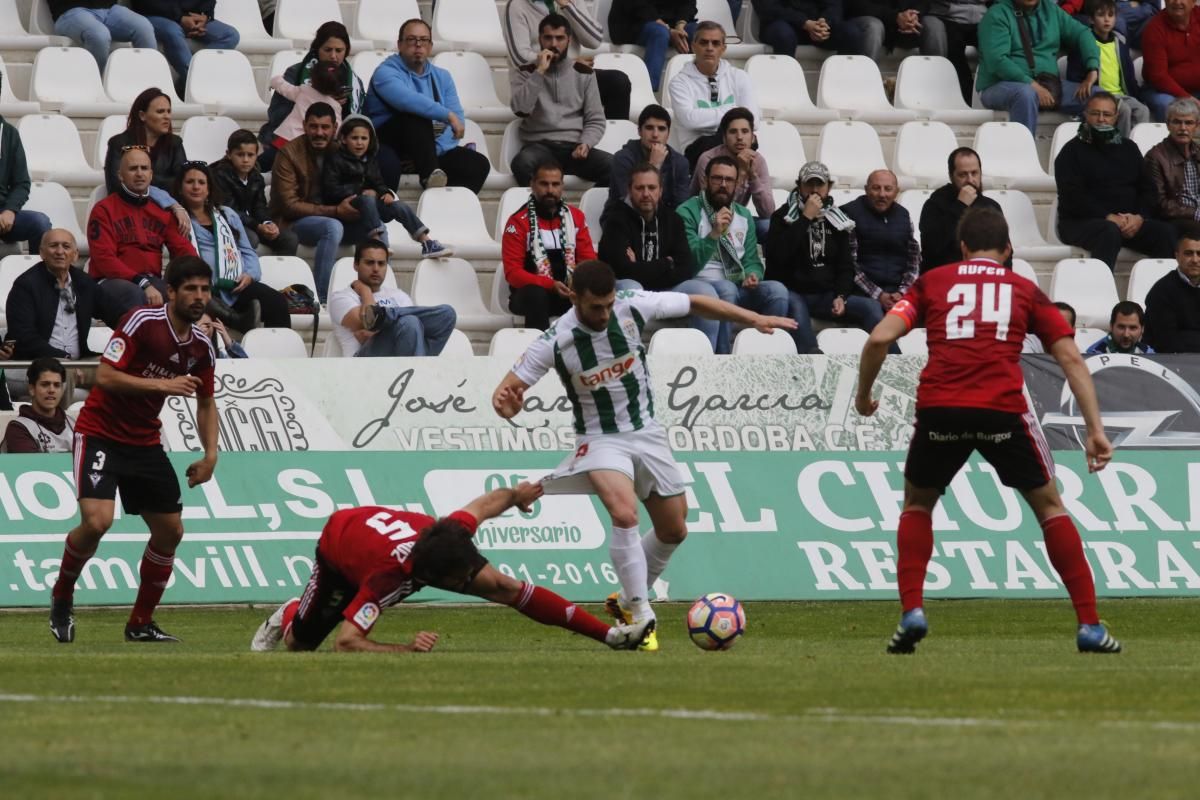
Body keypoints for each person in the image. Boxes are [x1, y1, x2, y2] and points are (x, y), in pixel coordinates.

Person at [854, 207, 1122, 655]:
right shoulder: (1024, 290)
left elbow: (880, 337)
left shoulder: (933, 282)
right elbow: (1071, 358)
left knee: (918, 503)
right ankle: (1089, 625)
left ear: (962, 248)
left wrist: (864, 396)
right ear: (1009, 248)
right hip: (1001, 411)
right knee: (1050, 508)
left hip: (941, 409)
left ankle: (913, 611)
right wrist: (1095, 429)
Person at [492, 260, 797, 651]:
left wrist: (751, 317)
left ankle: (625, 596)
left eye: (607, 304)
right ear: (573, 297)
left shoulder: (633, 305)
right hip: (600, 440)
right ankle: (639, 612)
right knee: (624, 513)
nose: (603, 314)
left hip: (647, 433)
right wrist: (509, 406)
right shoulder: (555, 340)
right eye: (594, 308)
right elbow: (505, 395)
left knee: (674, 529)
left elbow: (696, 302)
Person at [249, 482, 655, 654]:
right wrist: (404, 649)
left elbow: (484, 504)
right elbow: (348, 642)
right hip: (339, 546)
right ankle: (289, 612)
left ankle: (612, 637)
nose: (468, 583)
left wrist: (516, 496)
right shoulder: (386, 581)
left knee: (505, 587)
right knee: (299, 646)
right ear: (428, 579)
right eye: (460, 581)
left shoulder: (449, 534)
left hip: (381, 537)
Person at [49, 256, 219, 644]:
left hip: (144, 441)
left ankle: (140, 623)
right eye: (190, 289)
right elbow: (104, 375)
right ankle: (62, 595)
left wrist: (210, 454)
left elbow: (207, 402)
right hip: (100, 434)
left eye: (205, 290)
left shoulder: (202, 346)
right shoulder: (143, 322)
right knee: (97, 522)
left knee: (170, 531)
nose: (199, 297)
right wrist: (163, 386)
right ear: (171, 292)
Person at [765, 161, 885, 354]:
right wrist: (805, 218)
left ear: (828, 187)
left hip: (826, 295)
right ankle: (813, 359)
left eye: (819, 185)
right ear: (799, 185)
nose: (814, 190)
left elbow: (846, 265)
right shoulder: (782, 216)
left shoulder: (838, 219)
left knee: (870, 306)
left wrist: (841, 295)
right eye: (809, 184)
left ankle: (891, 358)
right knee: (795, 308)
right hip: (794, 292)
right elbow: (777, 257)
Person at [598, 163, 721, 350]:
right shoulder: (616, 221)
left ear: (661, 191)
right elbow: (621, 270)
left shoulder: (673, 220)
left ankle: (705, 359)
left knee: (706, 293)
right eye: (640, 188)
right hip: (628, 286)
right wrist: (666, 263)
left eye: (652, 188)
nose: (646, 193)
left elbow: (685, 268)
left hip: (667, 288)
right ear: (630, 190)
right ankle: (628, 361)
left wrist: (639, 266)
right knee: (633, 288)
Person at [678, 155, 790, 353]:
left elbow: (752, 260)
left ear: (737, 184)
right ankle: (724, 358)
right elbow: (688, 264)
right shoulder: (688, 211)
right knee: (727, 288)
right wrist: (713, 233)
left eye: (729, 180)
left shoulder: (743, 214)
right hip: (701, 284)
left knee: (777, 292)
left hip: (737, 283)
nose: (723, 184)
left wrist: (752, 275)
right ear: (705, 180)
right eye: (717, 178)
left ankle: (762, 358)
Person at [364, 18, 491, 193]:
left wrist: (432, 152)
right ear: (399, 44)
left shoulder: (443, 77)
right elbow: (408, 100)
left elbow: (458, 120)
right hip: (389, 145)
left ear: (430, 46)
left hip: (428, 151)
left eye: (423, 40)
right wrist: (447, 116)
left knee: (477, 164)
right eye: (411, 39)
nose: (418, 45)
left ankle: (446, 209)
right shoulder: (385, 73)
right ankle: (430, 176)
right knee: (415, 115)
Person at [1055, 92, 1177, 270]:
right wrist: (1108, 217)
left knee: (1165, 233)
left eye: (1107, 114)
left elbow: (1148, 190)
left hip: (1127, 222)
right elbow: (1072, 197)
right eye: (1095, 113)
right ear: (1086, 115)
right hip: (1081, 222)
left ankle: (1159, 293)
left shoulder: (1129, 148)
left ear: (1116, 117)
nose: (1101, 119)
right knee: (1108, 232)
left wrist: (1139, 217)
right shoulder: (1071, 152)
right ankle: (1101, 290)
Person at [270, 103, 373, 303]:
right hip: (294, 223)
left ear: (335, 128)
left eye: (325, 127)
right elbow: (289, 206)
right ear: (304, 126)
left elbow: (364, 180)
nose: (319, 132)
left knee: (375, 224)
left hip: (337, 218)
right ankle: (322, 297)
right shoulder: (288, 154)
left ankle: (374, 294)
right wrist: (335, 211)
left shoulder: (341, 150)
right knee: (332, 227)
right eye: (314, 126)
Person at [175, 162, 290, 333]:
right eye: (190, 182)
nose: (196, 187)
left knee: (276, 301)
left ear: (209, 188)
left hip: (236, 284)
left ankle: (282, 356)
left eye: (201, 182)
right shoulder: (177, 218)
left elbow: (247, 250)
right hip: (204, 286)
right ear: (180, 188)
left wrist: (249, 276)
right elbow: (154, 192)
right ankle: (235, 320)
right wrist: (174, 206)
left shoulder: (227, 214)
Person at [88, 147, 198, 319]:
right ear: (120, 175)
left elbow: (183, 248)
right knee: (137, 297)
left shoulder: (162, 211)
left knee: (190, 298)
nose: (139, 173)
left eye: (144, 168)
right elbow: (104, 259)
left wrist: (199, 276)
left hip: (151, 280)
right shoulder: (103, 209)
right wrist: (142, 283)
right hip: (110, 281)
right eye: (133, 169)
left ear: (151, 174)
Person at [320, 116, 453, 258]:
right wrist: (360, 192)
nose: (359, 143)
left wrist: (384, 192)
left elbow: (378, 182)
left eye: (364, 138)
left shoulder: (370, 160)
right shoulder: (335, 159)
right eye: (354, 138)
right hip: (349, 205)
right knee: (367, 199)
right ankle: (377, 244)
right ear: (344, 139)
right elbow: (331, 189)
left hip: (369, 205)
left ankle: (426, 242)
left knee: (399, 206)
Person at [509, 14, 612, 187]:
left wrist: (586, 143)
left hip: (575, 148)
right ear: (540, 39)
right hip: (540, 147)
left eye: (559, 38)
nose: (554, 44)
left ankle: (585, 208)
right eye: (548, 38)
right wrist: (539, 72)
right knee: (522, 163)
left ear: (569, 40)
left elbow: (595, 118)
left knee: (616, 166)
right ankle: (543, 208)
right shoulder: (526, 71)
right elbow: (520, 109)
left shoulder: (584, 73)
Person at [975, 0, 1100, 134]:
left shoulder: (1051, 10)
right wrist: (1033, 86)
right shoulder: (997, 14)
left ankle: (1087, 150)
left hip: (1049, 84)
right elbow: (996, 61)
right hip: (999, 85)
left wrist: (1092, 69)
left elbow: (1082, 33)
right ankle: (1024, 152)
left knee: (1099, 97)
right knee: (1025, 94)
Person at [501, 162, 598, 330]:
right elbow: (513, 273)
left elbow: (588, 262)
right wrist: (549, 285)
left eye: (555, 184)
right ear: (532, 184)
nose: (550, 190)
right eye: (544, 184)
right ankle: (539, 352)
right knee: (536, 295)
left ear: (562, 186)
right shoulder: (517, 221)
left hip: (568, 292)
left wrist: (577, 285)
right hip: (531, 295)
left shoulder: (576, 217)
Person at [259, 22, 366, 172]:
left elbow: (348, 126)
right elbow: (277, 115)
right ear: (317, 49)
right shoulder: (295, 73)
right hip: (289, 141)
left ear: (347, 51)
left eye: (339, 50)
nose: (333, 56)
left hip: (324, 145)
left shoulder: (353, 83)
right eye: (328, 50)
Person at [328, 239, 457, 358]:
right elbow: (368, 324)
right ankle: (419, 374)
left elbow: (375, 327)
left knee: (448, 314)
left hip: (405, 352)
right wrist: (365, 291)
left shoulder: (399, 296)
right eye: (369, 263)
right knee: (409, 322)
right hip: (366, 362)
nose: (376, 269)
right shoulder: (341, 298)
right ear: (356, 265)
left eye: (381, 263)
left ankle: (386, 315)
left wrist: (380, 323)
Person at [504, 0, 632, 120]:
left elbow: (594, 40)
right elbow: (519, 57)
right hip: (536, 81)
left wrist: (567, 6)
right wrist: (568, 64)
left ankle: (616, 140)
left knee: (618, 82)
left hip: (572, 78)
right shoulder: (516, 5)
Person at [668, 22, 760, 168]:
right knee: (740, 139)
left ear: (723, 48)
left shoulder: (739, 76)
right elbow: (689, 119)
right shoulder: (679, 82)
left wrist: (714, 119)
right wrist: (734, 112)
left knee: (749, 140)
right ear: (693, 46)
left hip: (734, 140)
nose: (709, 48)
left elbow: (753, 120)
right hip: (697, 147)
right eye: (704, 42)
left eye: (715, 43)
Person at [102, 88, 192, 233]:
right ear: (142, 115)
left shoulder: (175, 143)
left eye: (169, 111)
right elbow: (117, 185)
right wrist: (163, 185)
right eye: (160, 111)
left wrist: (144, 182)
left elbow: (181, 183)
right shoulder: (119, 143)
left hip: (166, 212)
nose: (167, 117)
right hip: (130, 211)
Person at [5, 229, 104, 358]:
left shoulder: (84, 282)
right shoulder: (26, 285)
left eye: (66, 246)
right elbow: (23, 336)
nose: (59, 252)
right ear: (42, 253)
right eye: (53, 246)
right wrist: (64, 358)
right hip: (40, 365)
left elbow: (116, 313)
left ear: (75, 255)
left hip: (78, 363)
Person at [842, 169, 921, 319]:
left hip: (897, 293)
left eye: (888, 189)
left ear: (897, 191)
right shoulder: (850, 214)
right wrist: (879, 295)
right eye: (876, 188)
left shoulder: (904, 215)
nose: (882, 194)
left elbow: (914, 261)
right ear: (866, 190)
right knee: (874, 311)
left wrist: (901, 293)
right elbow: (850, 265)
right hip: (862, 293)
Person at [1065, 0, 1149, 136]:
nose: (1106, 20)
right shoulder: (1083, 43)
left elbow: (1129, 76)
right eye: (1101, 15)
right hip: (1097, 95)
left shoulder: (1120, 42)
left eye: (1110, 15)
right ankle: (1120, 148)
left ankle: (1137, 149)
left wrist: (1136, 96)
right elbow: (1074, 76)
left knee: (1142, 110)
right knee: (1124, 109)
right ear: (1091, 19)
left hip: (1120, 95)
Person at [210, 129, 298, 256]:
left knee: (289, 239)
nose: (246, 160)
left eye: (250, 155)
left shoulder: (256, 178)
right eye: (240, 155)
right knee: (251, 238)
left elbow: (259, 207)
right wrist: (258, 226)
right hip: (227, 225)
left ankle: (277, 274)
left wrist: (268, 223)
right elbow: (230, 211)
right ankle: (244, 274)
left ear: (257, 155)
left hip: (251, 224)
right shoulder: (219, 175)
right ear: (228, 154)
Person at [692, 107, 775, 240]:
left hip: (737, 219)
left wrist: (752, 175)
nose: (740, 137)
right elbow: (712, 208)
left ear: (753, 137)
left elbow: (768, 212)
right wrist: (741, 173)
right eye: (733, 132)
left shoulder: (758, 161)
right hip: (705, 220)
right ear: (724, 138)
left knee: (771, 226)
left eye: (745, 131)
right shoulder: (708, 159)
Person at [130, 0, 239, 98]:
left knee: (230, 36)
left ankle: (184, 84)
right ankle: (198, 86)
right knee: (173, 31)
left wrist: (206, 16)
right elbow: (144, 3)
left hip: (190, 16)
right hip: (155, 14)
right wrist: (180, 18)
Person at [604, 104, 691, 226]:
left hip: (663, 225)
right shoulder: (622, 159)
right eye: (649, 128)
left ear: (668, 133)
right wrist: (654, 166)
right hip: (623, 223)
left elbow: (682, 207)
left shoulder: (680, 162)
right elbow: (628, 203)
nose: (655, 134)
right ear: (639, 131)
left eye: (661, 129)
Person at [920, 147, 1004, 272]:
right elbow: (931, 248)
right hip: (945, 277)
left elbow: (1004, 251)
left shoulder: (991, 206)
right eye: (963, 175)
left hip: (983, 278)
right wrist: (961, 206)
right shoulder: (935, 204)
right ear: (951, 176)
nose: (970, 180)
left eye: (974, 173)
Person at [0, 83, 51, 253]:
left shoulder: (8, 134)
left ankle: (39, 279)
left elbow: (21, 183)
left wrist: (9, 210)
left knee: (40, 222)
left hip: (2, 214)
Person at [607, 0, 699, 93]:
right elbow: (637, 5)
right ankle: (648, 94)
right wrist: (668, 30)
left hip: (671, 23)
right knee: (660, 33)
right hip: (634, 21)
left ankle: (698, 91)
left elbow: (688, 4)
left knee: (700, 33)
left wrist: (680, 26)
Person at [1143, 97, 1200, 232]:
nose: (1183, 128)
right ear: (1168, 124)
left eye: (1188, 122)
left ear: (1197, 126)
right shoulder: (1155, 157)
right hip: (1174, 219)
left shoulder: (1198, 151)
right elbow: (1160, 204)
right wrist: (1196, 213)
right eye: (1177, 122)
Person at [49, 1, 156, 72]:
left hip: (108, 9)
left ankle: (149, 88)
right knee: (99, 35)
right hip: (70, 10)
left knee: (143, 27)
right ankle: (95, 85)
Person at [1138, 0, 1200, 122]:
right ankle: (1174, 141)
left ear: (1194, 2)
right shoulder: (1154, 28)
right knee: (1167, 105)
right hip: (1162, 91)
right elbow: (1158, 76)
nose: (1177, 2)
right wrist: (1188, 98)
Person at [1143, 224, 1200, 352]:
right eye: (1189, 253)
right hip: (1170, 364)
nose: (1195, 259)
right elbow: (1167, 342)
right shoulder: (1161, 291)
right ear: (1177, 256)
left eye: (1199, 253)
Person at [1, 358, 75, 454]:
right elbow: (33, 467)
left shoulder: (74, 424)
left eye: (57, 385)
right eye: (45, 384)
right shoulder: (18, 429)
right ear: (32, 389)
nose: (52, 390)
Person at [750, 0, 871, 57]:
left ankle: (841, 89)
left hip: (817, 25)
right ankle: (784, 87)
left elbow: (834, 6)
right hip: (783, 23)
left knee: (851, 33)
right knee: (784, 35)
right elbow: (767, 8)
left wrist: (824, 23)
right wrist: (804, 22)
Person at [267, 61, 344, 150]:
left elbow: (284, 88)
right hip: (308, 144)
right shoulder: (335, 106)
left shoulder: (304, 91)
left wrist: (276, 80)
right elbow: (337, 129)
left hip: (286, 136)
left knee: (272, 159)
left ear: (311, 79)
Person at [925, 0, 990, 104]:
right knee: (954, 54)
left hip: (984, 17)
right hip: (948, 17)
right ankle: (965, 100)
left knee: (993, 50)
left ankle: (990, 97)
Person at [844, 0, 949, 62]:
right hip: (874, 19)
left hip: (907, 26)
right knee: (873, 27)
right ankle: (863, 88)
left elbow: (925, 2)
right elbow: (855, 4)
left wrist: (913, 15)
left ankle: (936, 88)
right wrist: (895, 17)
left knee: (934, 25)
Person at [1085, 300, 1154, 353]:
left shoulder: (1149, 354)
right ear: (1111, 326)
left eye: (1132, 328)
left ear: (1142, 329)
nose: (1126, 334)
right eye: (1121, 327)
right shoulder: (1094, 354)